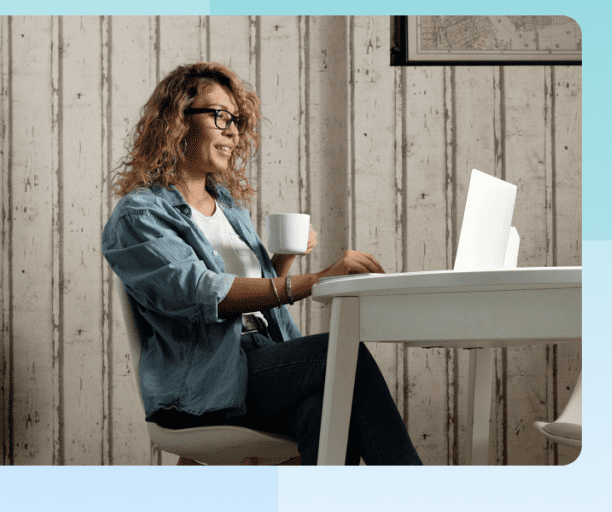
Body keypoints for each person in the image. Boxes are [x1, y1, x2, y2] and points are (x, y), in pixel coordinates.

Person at [102, 62, 421, 465]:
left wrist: (282, 260)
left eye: (236, 120)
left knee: (327, 411)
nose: (233, 131)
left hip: (262, 358)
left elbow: (253, 300)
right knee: (342, 354)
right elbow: (203, 294)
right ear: (176, 121)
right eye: (220, 116)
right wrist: (318, 279)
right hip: (208, 374)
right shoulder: (139, 216)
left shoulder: (229, 208)